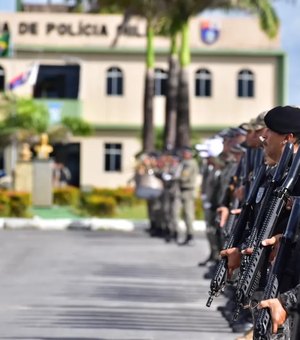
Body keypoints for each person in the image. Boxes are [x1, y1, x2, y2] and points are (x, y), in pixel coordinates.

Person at [220, 105, 300, 340]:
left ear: (288, 138)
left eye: (270, 131)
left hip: (288, 294)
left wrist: (287, 301)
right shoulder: (276, 176)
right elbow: (264, 228)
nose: (263, 136)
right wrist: (242, 251)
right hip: (272, 289)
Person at [176, 146, 199, 245]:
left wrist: (175, 177)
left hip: (188, 190)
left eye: (185, 152)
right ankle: (188, 234)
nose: (183, 154)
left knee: (188, 214)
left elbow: (184, 177)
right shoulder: (185, 163)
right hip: (184, 190)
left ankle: (190, 235)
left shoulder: (190, 163)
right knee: (185, 214)